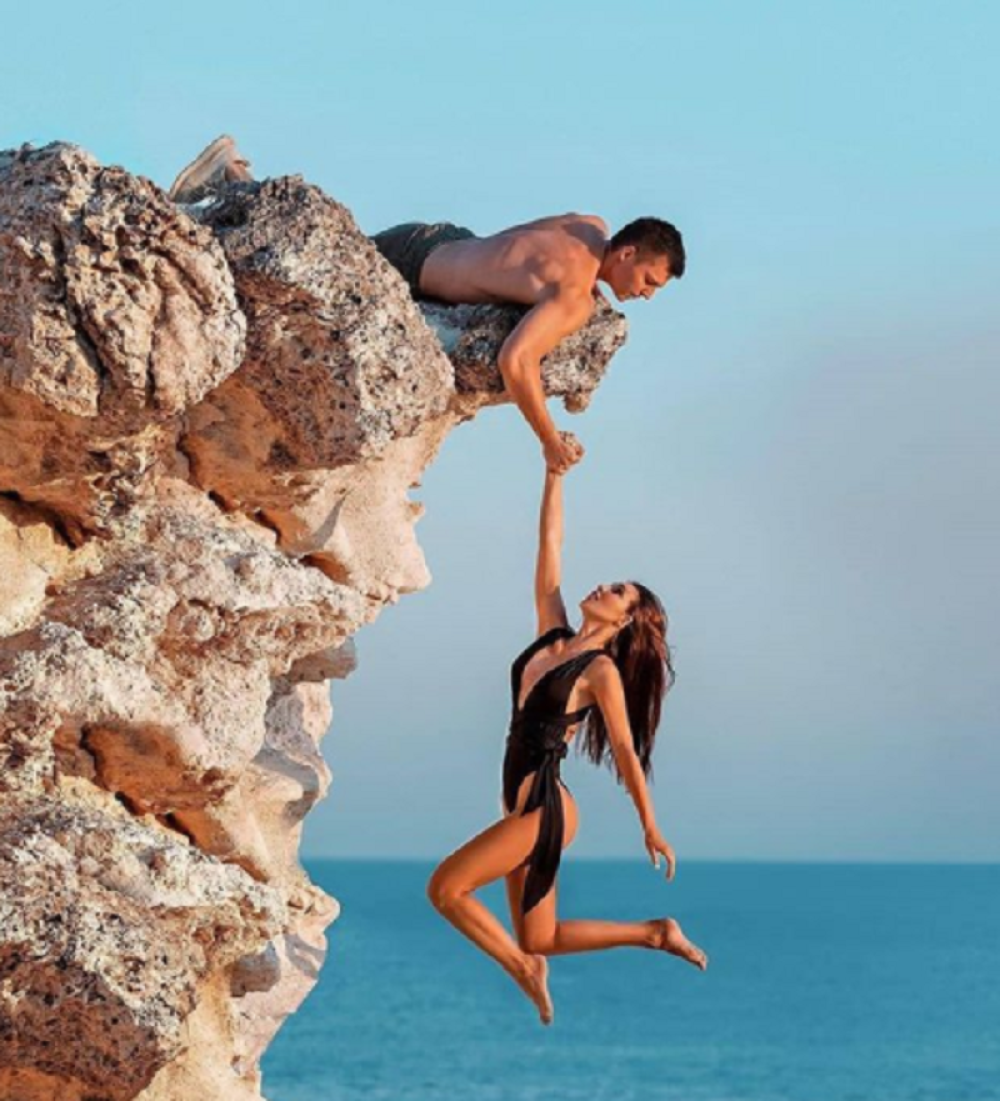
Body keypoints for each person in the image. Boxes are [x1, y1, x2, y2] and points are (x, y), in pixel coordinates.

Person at [167, 136, 687, 476]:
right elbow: (516, 362)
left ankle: (234, 180)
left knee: (311, 247)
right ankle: (229, 176)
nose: (646, 293)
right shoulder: (573, 300)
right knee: (298, 264)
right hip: (416, 270)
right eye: (648, 279)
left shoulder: (587, 223)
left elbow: (516, 246)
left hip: (441, 237)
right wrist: (549, 441)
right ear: (626, 252)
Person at [425, 449, 707, 1025]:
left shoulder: (599, 672)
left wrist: (650, 826)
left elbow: (626, 750)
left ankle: (519, 970)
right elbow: (548, 550)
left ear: (624, 620)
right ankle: (654, 933)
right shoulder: (552, 633)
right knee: (542, 936)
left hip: (548, 810)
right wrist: (554, 476)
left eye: (616, 592)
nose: (601, 586)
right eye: (609, 582)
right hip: (521, 805)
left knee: (446, 890)